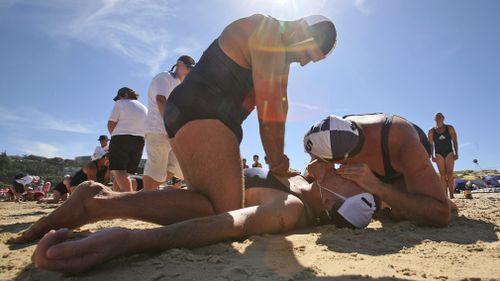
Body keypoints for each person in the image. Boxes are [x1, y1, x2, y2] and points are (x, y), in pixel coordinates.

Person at [17, 167, 374, 274]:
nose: (344, 169)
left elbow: (232, 223)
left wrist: (132, 242)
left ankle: (102, 202)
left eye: (349, 180)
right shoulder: (298, 179)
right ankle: (100, 202)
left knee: (216, 205)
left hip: (207, 191)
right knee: (216, 196)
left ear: (331, 199)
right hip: (207, 177)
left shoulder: (291, 208)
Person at [163, 14, 337, 218]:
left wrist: (278, 157)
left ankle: (117, 203)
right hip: (203, 111)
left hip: (188, 109)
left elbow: (282, 102)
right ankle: (115, 203)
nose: (305, 62)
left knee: (203, 204)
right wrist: (276, 161)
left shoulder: (280, 55)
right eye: (308, 53)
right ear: (300, 32)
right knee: (225, 211)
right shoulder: (269, 33)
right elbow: (269, 108)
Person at [304, 113, 454, 227]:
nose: (330, 168)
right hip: (380, 159)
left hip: (404, 153)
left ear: (340, 159)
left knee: (402, 211)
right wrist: (313, 164)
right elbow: (317, 153)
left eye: (330, 164)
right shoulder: (338, 127)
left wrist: (378, 187)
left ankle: (440, 195)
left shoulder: (401, 144)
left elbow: (442, 214)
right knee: (371, 204)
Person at [142, 56, 195, 191]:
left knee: (175, 167)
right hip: (158, 129)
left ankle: (146, 194)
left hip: (172, 132)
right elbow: (161, 100)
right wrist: (170, 125)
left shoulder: (180, 85)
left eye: (191, 69)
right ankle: (145, 203)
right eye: (188, 67)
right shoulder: (164, 77)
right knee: (155, 168)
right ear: (178, 64)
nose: (189, 71)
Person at [108, 87, 148, 192]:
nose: (118, 99)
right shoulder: (144, 108)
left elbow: (111, 124)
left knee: (118, 171)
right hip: (140, 141)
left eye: (119, 97)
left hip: (121, 138)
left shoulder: (121, 103)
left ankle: (128, 199)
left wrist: (115, 138)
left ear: (124, 95)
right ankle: (117, 199)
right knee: (124, 174)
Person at [428, 113, 458, 199]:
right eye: (436, 118)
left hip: (449, 152)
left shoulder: (450, 128)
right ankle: (445, 195)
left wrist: (456, 153)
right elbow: (430, 144)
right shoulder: (431, 131)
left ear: (443, 118)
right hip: (438, 153)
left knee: (450, 173)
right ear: (434, 119)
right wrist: (431, 156)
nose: (438, 119)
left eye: (440, 117)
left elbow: (455, 141)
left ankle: (451, 194)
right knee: (442, 174)